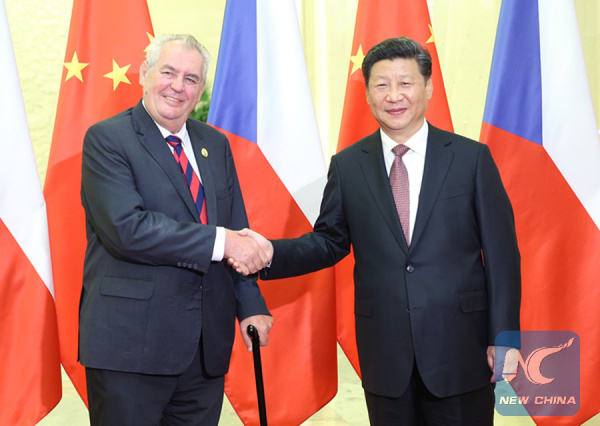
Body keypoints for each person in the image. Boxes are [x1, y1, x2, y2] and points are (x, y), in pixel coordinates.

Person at [236, 37, 521, 425]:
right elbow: (329, 241)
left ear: (428, 87)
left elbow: (502, 255)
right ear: (368, 93)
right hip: (386, 355)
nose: (393, 95)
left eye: (405, 83)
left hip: (462, 350)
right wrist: (270, 252)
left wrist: (503, 335)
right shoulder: (350, 165)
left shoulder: (470, 159)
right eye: (381, 84)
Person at [79, 34, 273, 425]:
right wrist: (223, 241)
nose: (177, 86)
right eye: (168, 72)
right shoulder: (107, 139)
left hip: (204, 350)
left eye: (190, 78)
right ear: (144, 73)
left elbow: (235, 229)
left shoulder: (214, 143)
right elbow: (127, 229)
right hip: (130, 350)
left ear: (201, 88)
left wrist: (250, 305)